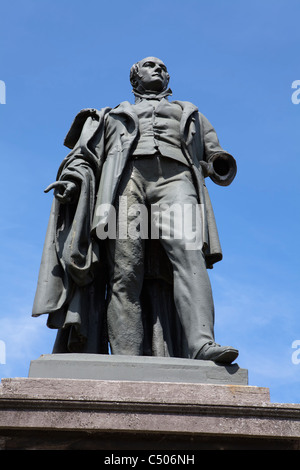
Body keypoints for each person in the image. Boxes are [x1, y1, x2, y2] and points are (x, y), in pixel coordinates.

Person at [32, 57, 238, 363]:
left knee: (190, 256)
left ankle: (202, 344)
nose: (159, 69)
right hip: (126, 183)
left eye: (163, 67)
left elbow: (213, 152)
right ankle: (126, 358)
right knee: (125, 273)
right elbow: (86, 157)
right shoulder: (113, 116)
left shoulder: (191, 114)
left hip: (177, 180)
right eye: (150, 65)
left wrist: (219, 161)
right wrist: (73, 183)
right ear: (135, 78)